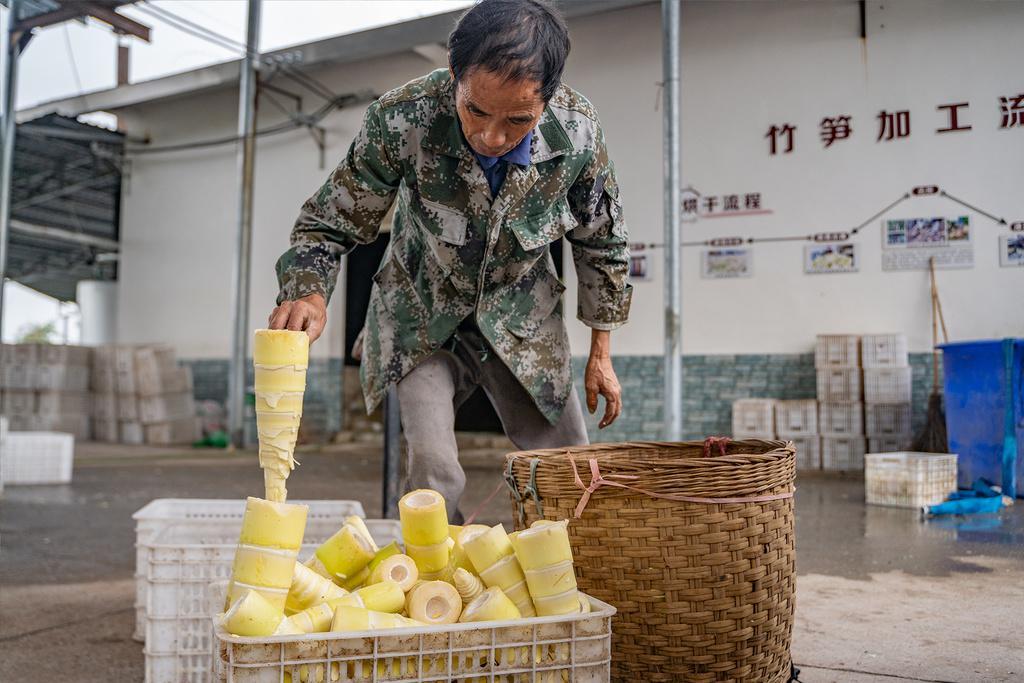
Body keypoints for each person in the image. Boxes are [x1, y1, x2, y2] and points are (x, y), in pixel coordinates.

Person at [269, 0, 631, 520]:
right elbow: (328, 222)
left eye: (518, 120)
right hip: (420, 313)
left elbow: (604, 242)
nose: (492, 136)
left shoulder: (577, 134)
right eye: (475, 110)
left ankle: (568, 581)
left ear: (547, 101)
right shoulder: (402, 118)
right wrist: (307, 290)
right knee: (433, 474)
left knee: (566, 469)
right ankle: (437, 589)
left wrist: (602, 352)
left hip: (522, 315)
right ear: (454, 75)